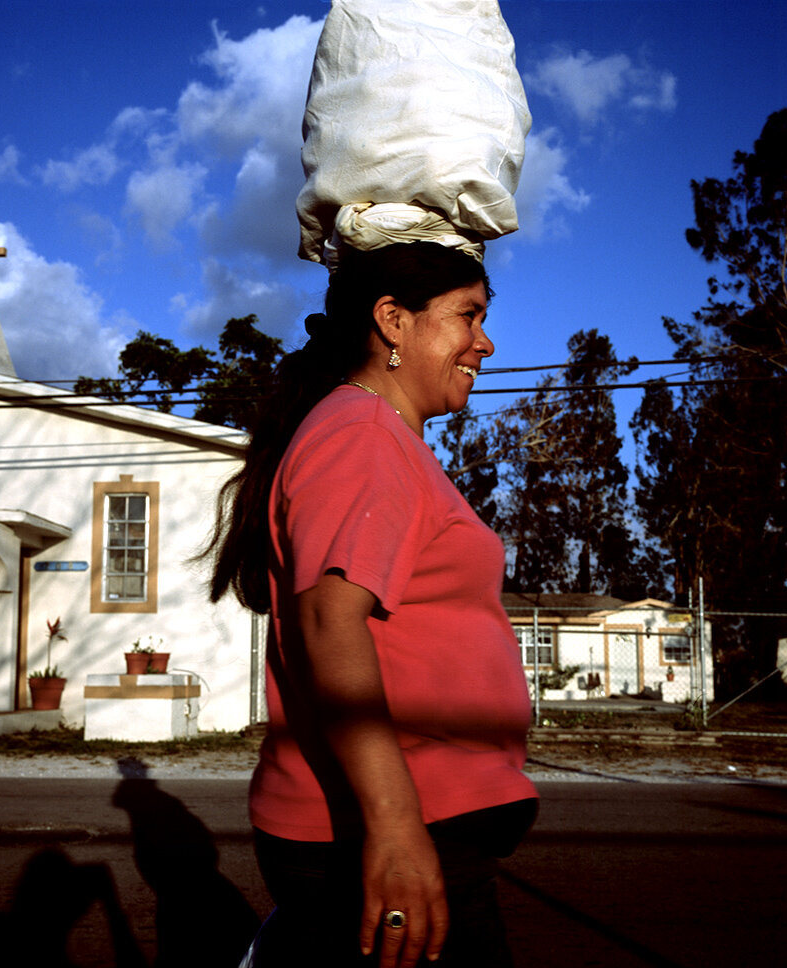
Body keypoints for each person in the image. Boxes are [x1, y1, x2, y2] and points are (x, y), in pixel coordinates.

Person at [208, 241, 537, 968]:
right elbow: (329, 620)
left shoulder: (379, 437)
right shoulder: (361, 435)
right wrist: (393, 827)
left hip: (418, 820)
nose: (484, 341)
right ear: (393, 320)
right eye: (467, 316)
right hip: (385, 826)